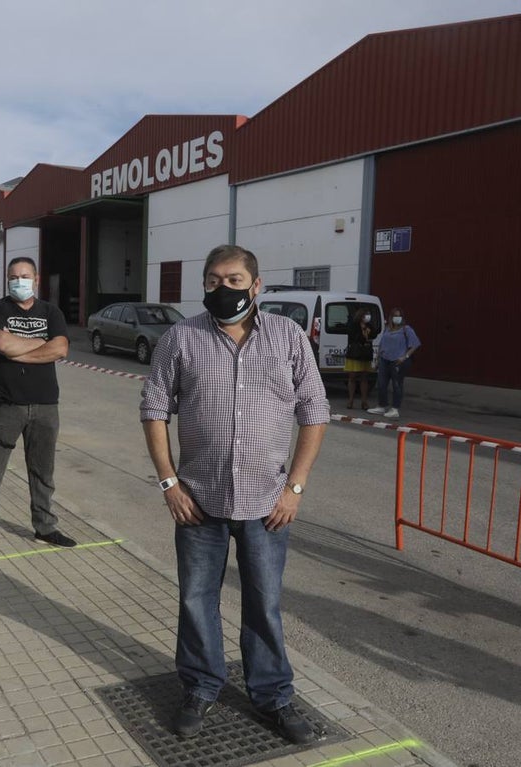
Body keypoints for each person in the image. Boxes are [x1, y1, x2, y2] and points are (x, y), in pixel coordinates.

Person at [140, 245, 328, 744]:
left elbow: (315, 411)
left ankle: (272, 697)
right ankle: (201, 687)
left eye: (235, 279)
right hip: (197, 502)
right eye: (214, 280)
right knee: (196, 600)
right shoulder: (180, 339)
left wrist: (295, 487)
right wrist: (169, 483)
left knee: (263, 604)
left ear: (257, 285)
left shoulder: (287, 337)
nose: (224, 289)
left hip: (268, 503)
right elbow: (154, 409)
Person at [0, 257, 76, 561]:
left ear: (36, 279)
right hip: (5, 405)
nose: (19, 281)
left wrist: (20, 348)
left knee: (43, 473)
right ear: (6, 279)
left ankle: (45, 527)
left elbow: (61, 348)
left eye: (25, 276)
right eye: (13, 276)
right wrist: (41, 344)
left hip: (45, 405)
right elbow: (1, 344)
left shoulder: (51, 312)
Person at [368, 307, 421, 419]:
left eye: (399, 316)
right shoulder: (387, 329)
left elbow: (415, 344)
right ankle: (381, 405)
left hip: (398, 361)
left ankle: (395, 408)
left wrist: (405, 356)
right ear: (391, 318)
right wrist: (377, 359)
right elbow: (382, 344)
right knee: (382, 384)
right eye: (395, 316)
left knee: (397, 384)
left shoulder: (406, 329)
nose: (397, 318)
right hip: (384, 359)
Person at [343, 308, 374, 410]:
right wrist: (363, 333)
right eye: (366, 315)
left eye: (368, 315)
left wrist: (368, 331)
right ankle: (350, 400)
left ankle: (364, 401)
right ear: (361, 316)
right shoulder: (353, 325)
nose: (367, 317)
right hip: (355, 354)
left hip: (365, 354)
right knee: (352, 377)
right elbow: (353, 336)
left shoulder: (369, 326)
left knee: (364, 378)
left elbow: (374, 334)